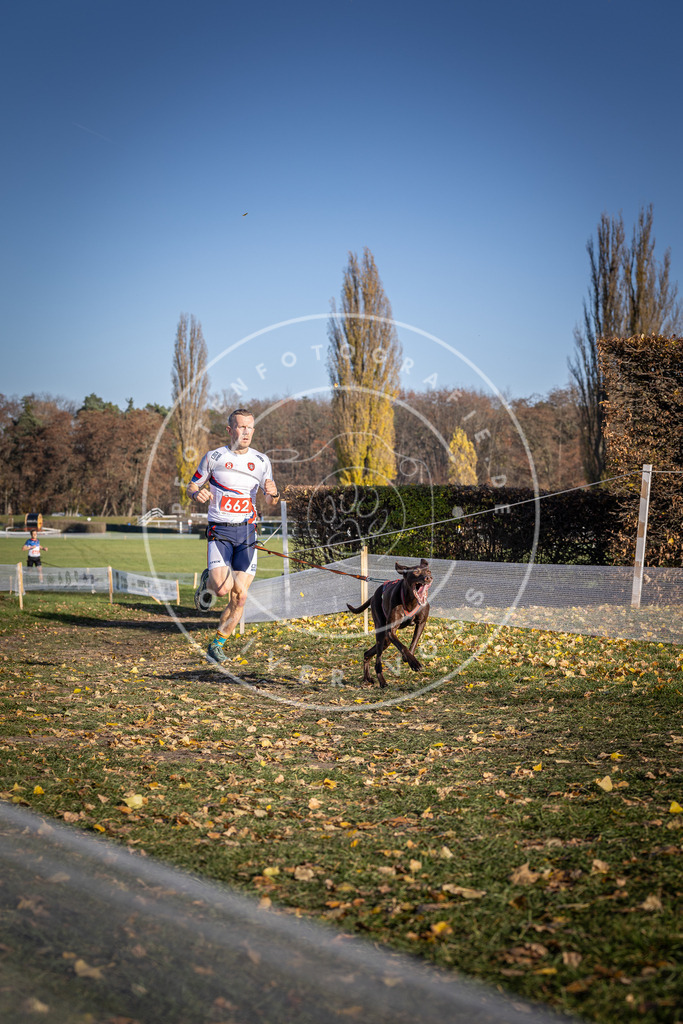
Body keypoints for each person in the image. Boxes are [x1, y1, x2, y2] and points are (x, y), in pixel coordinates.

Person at [187, 408, 280, 663]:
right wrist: (197, 493)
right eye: (241, 427)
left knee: (240, 596)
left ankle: (217, 644)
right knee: (221, 589)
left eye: (250, 427)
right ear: (230, 430)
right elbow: (192, 484)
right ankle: (208, 580)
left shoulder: (262, 461)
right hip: (221, 531)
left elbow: (271, 500)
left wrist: (274, 492)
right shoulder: (214, 457)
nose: (246, 431)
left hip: (248, 532)